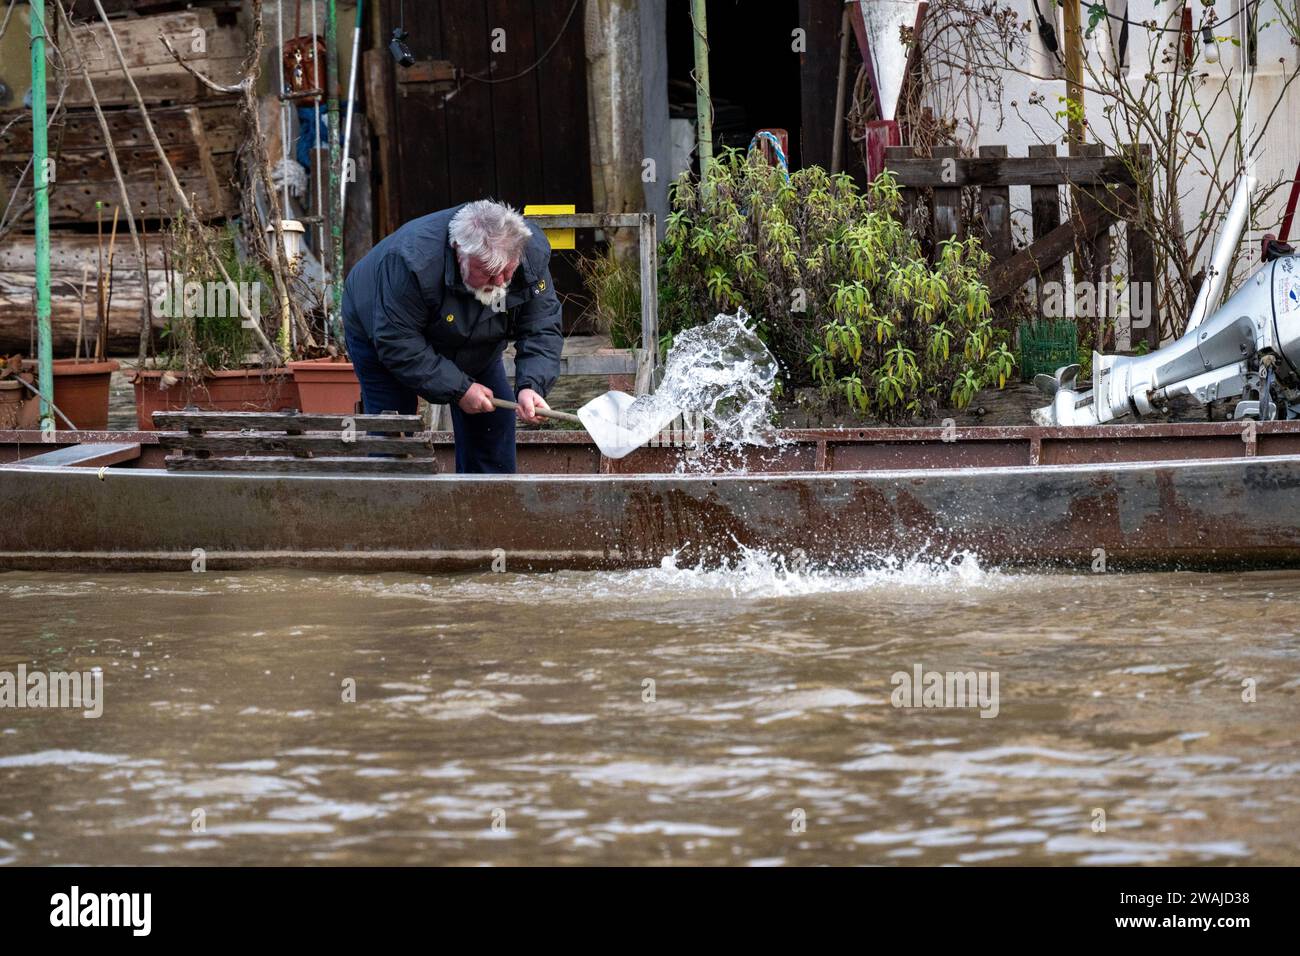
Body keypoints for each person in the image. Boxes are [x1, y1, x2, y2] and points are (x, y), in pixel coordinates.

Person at [341, 200, 563, 473]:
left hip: (472, 331)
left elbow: (541, 325)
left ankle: (486, 506)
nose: (500, 282)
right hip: (380, 326)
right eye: (489, 273)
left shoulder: (530, 255)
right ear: (459, 251)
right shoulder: (410, 263)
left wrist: (533, 385)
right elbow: (399, 343)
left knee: (494, 417)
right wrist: (459, 390)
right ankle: (393, 509)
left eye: (507, 270)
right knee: (394, 425)